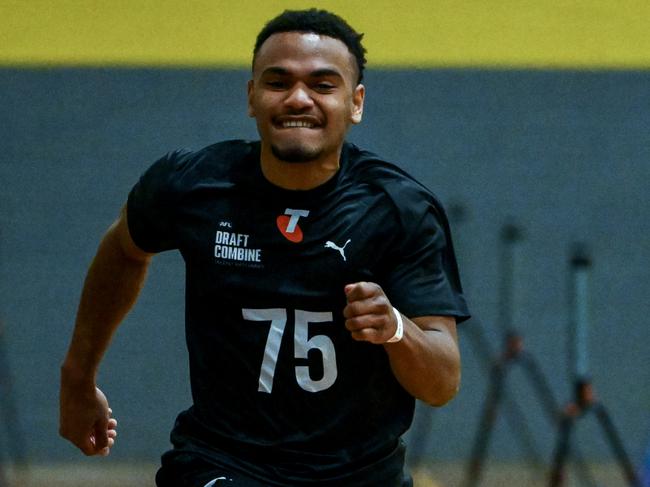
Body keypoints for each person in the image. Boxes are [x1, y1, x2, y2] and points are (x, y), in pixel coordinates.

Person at [59, 8, 470, 487]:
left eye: (322, 85)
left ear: (355, 103)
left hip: (359, 474)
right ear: (251, 96)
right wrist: (77, 377)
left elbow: (443, 383)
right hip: (224, 464)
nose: (298, 98)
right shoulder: (193, 185)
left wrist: (395, 328)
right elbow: (124, 249)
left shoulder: (399, 208)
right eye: (278, 82)